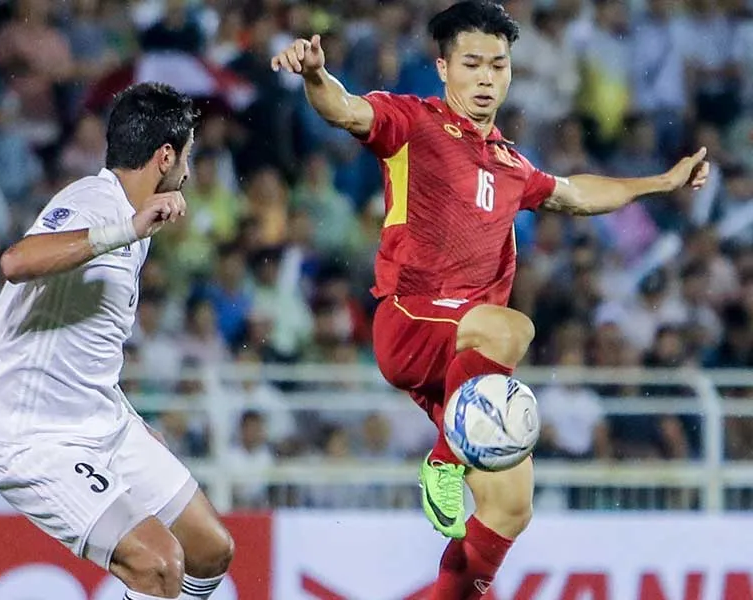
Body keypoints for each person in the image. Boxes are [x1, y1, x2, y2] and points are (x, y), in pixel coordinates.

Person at [271, 1, 710, 596]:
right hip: (412, 319)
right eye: (471, 64)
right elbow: (345, 109)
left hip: (461, 360)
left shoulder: (509, 162)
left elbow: (577, 193)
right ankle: (443, 463)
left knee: (510, 506)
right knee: (513, 328)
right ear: (443, 68)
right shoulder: (413, 122)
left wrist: (661, 182)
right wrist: (316, 75)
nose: (485, 78)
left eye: (497, 66)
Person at [0, 83, 234, 600]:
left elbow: (83, 347)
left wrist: (129, 418)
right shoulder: (94, 204)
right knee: (159, 565)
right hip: (36, 438)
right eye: (187, 156)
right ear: (166, 157)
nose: (188, 171)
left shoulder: (133, 223)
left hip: (103, 421)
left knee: (209, 548)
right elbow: (16, 261)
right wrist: (124, 229)